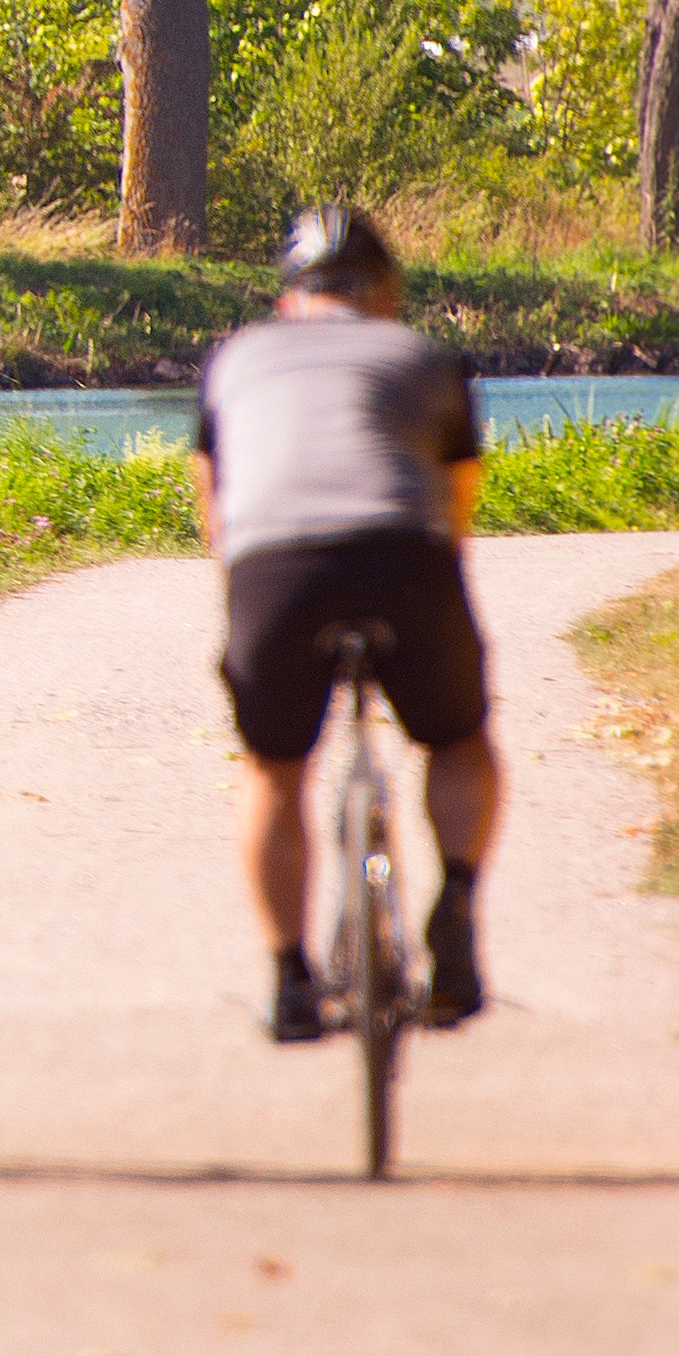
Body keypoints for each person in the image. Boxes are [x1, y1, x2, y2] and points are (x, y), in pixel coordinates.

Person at [199, 199, 497, 1039]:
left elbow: (218, 512)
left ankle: (290, 980)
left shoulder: (237, 359)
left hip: (276, 570)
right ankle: (460, 908)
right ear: (386, 294)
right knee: (457, 739)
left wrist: (256, 605)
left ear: (289, 297)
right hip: (405, 556)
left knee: (274, 768)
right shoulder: (427, 356)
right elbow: (456, 502)